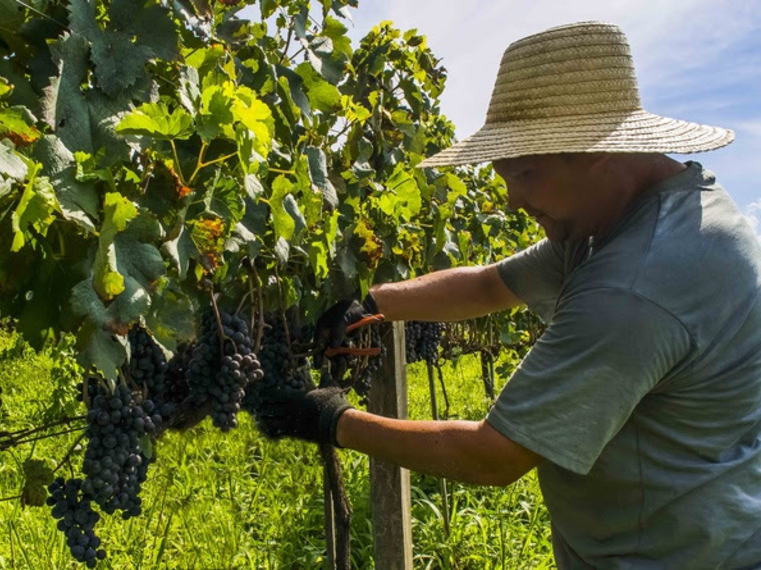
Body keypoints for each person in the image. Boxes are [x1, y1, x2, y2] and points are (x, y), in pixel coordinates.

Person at [256, 21, 761, 569]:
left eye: (523, 173)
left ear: (595, 151)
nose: (511, 200)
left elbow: (493, 458)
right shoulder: (640, 215)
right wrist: (372, 304)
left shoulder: (637, 282)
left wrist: (331, 420)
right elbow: (490, 283)